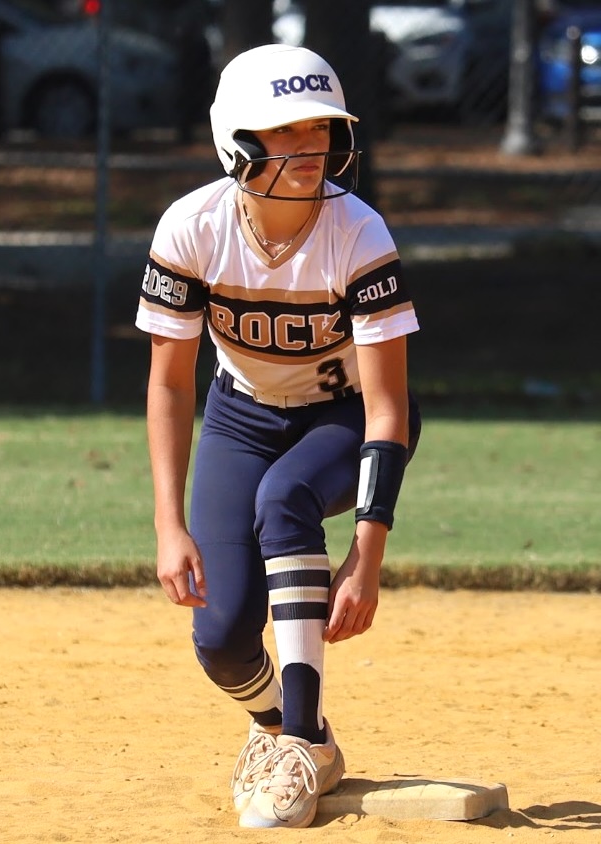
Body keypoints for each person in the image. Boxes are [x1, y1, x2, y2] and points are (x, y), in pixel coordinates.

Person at [135, 43, 422, 829]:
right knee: (221, 639)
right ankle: (298, 736)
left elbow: (391, 405)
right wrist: (168, 524)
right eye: (284, 133)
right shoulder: (192, 228)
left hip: (349, 416)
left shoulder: (357, 232)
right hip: (240, 415)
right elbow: (169, 383)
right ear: (237, 144)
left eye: (320, 130)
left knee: (284, 498)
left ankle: (295, 744)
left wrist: (367, 553)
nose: (310, 150)